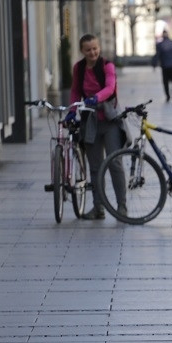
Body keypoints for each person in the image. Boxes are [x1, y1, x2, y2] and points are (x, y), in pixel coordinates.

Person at [68, 33, 126, 220]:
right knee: (95, 167)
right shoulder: (79, 68)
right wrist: (72, 110)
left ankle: (121, 207)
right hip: (90, 121)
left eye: (95, 48)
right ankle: (98, 208)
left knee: (115, 163)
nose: (92, 52)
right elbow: (76, 90)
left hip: (109, 120)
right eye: (88, 50)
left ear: (99, 48)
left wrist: (96, 98)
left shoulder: (107, 66)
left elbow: (110, 87)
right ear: (82, 51)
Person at [152, 30, 172, 102]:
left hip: (165, 66)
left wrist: (154, 64)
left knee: (165, 82)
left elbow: (157, 55)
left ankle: (168, 96)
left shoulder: (160, 45)